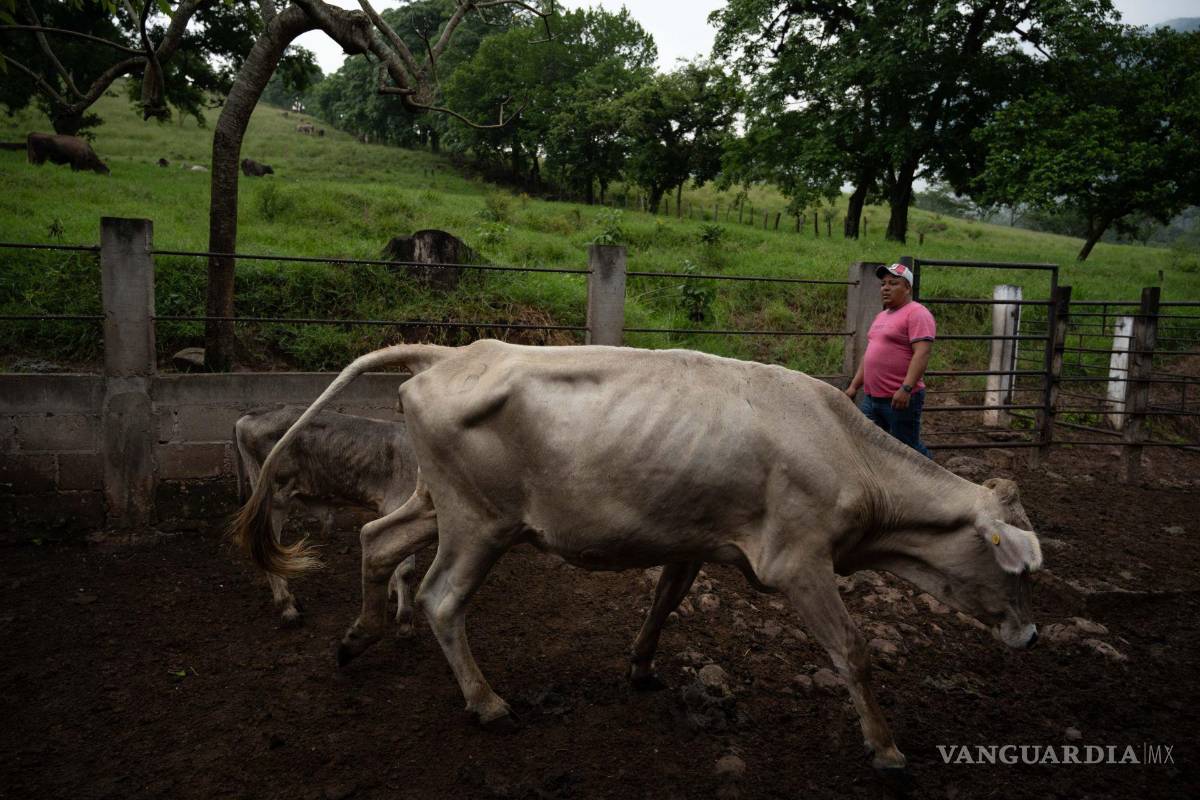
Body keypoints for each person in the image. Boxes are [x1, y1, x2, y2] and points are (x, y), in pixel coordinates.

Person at [844, 262, 935, 457]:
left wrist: (906, 388)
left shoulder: (917, 313)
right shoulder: (882, 316)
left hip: (899, 399)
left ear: (907, 288)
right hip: (871, 398)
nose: (885, 288)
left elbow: (922, 353)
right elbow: (869, 355)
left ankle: (936, 478)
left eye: (893, 283)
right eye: (883, 284)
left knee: (906, 450)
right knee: (864, 441)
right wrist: (854, 386)